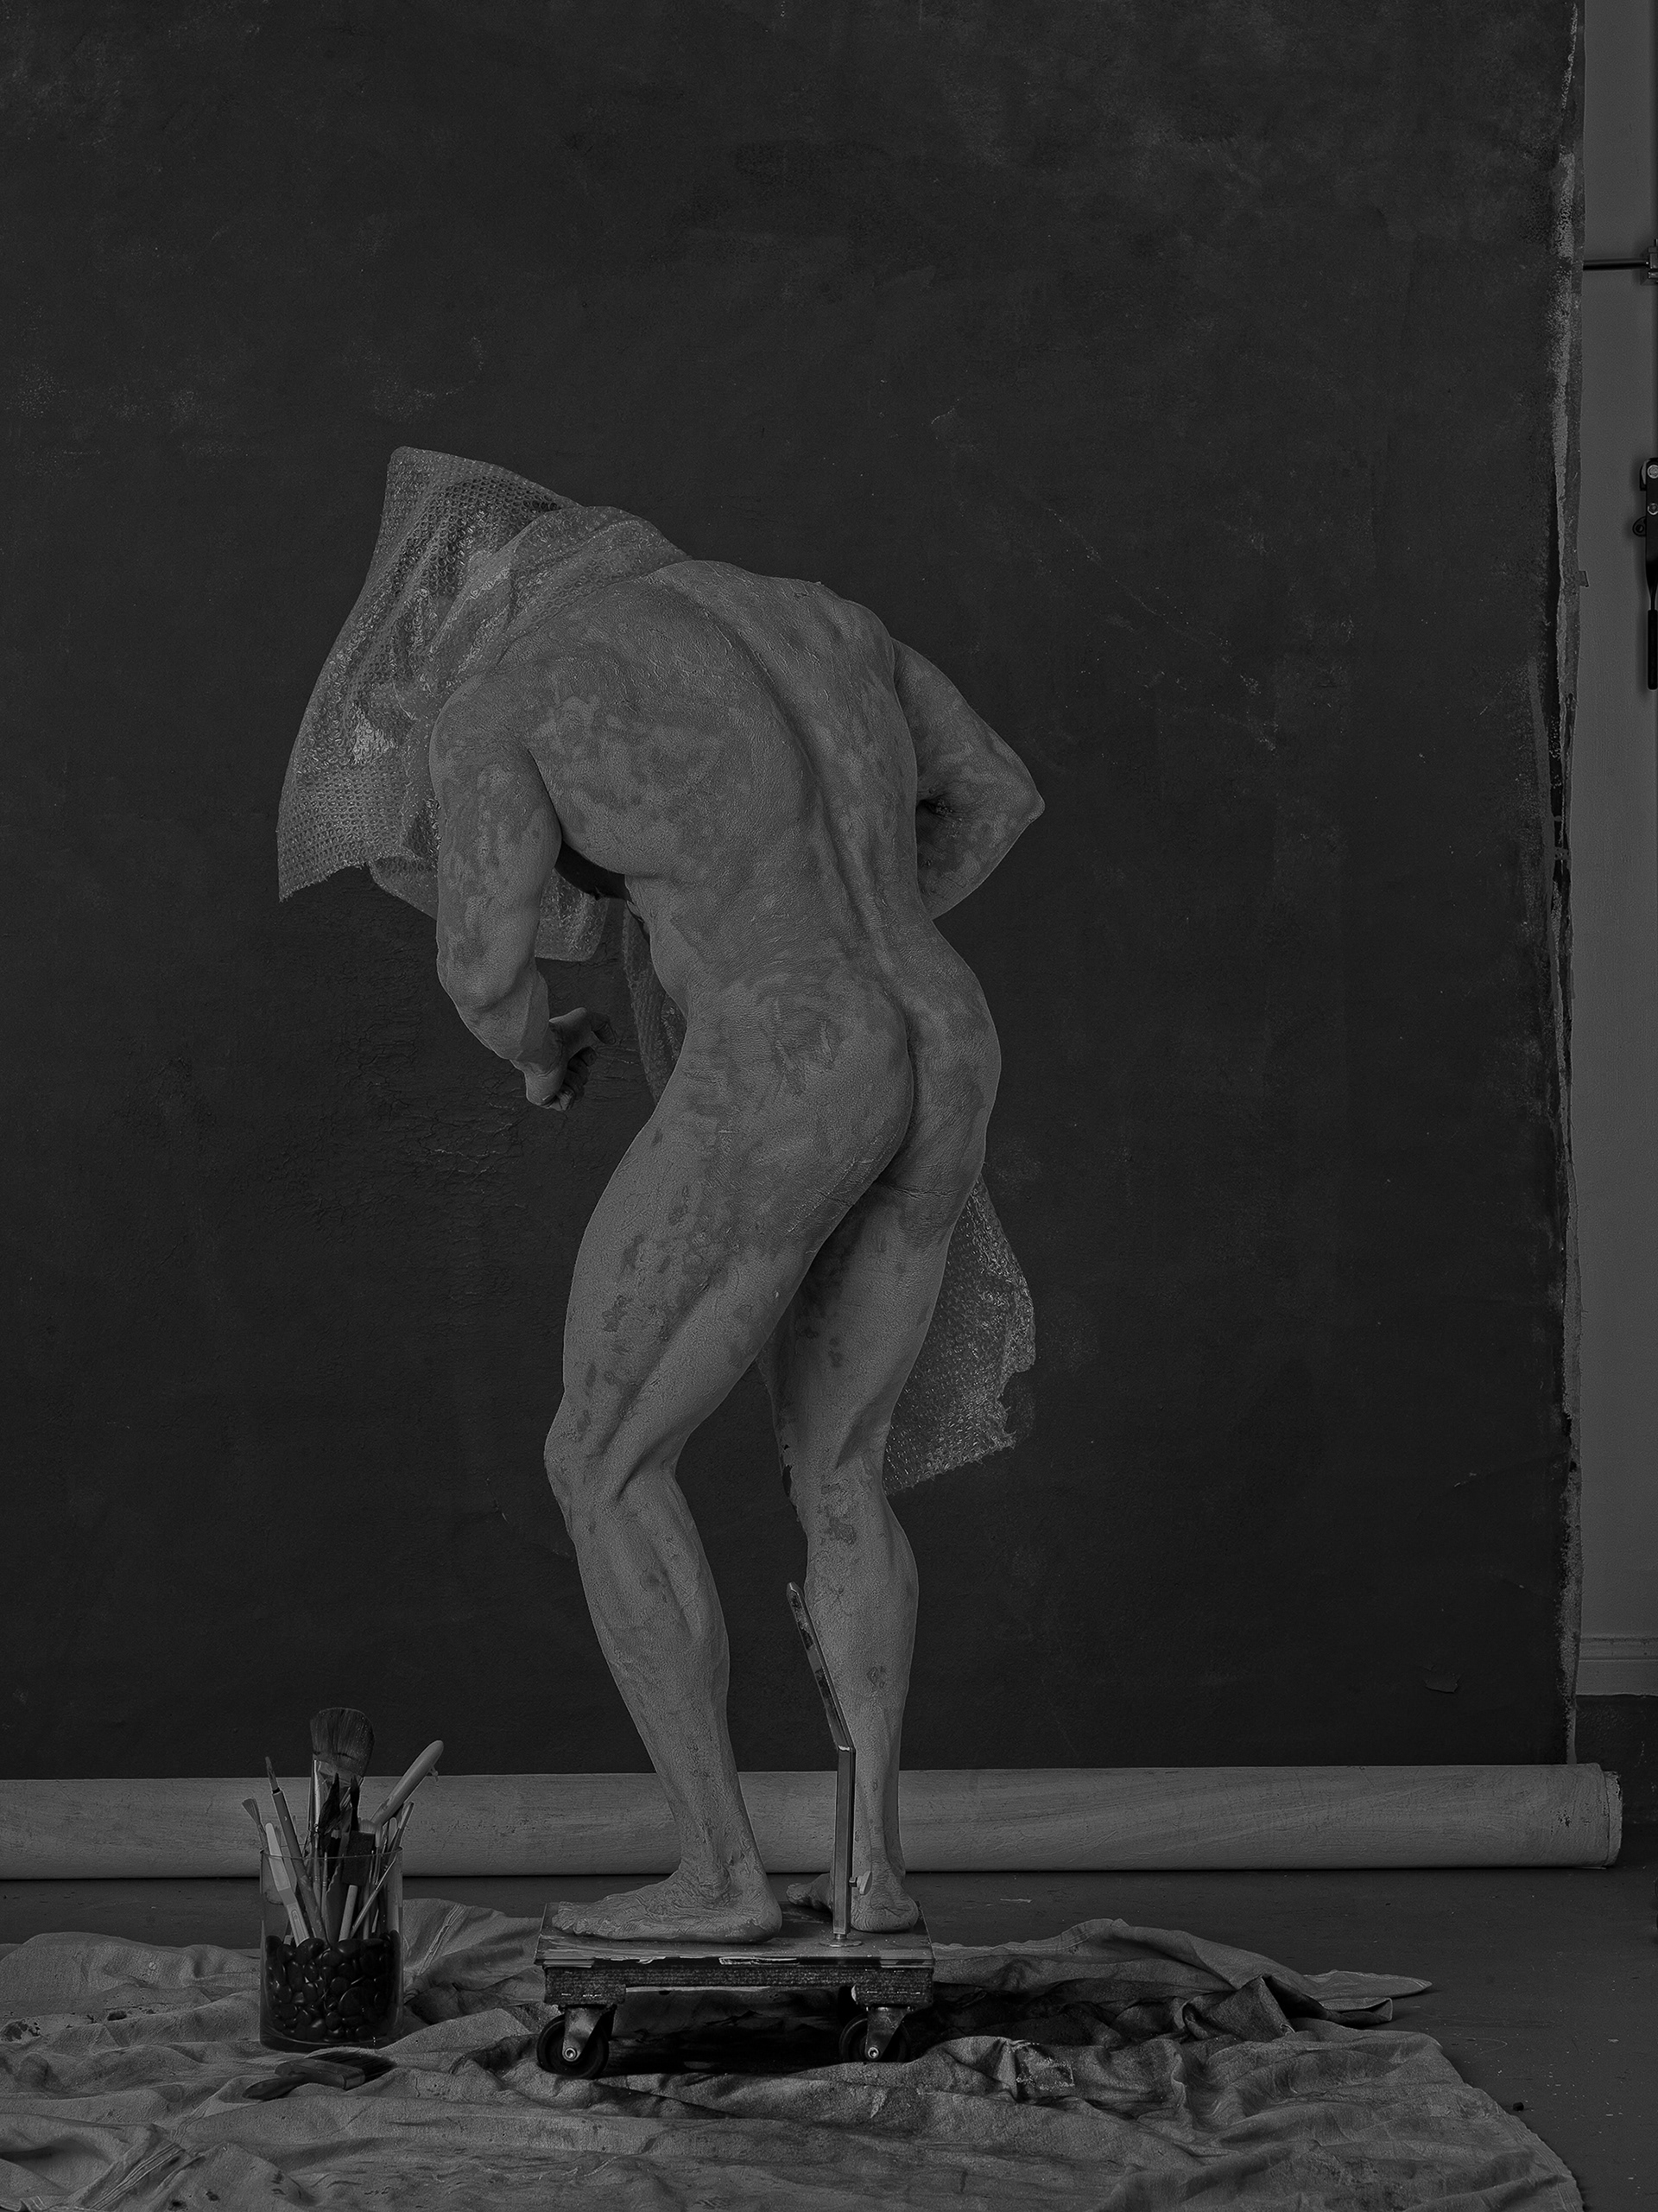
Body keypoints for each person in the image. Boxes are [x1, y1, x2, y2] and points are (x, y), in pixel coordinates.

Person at [282, 456, 1042, 1940]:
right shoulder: (823, 619)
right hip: (947, 1030)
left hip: (788, 1048)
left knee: (601, 1457)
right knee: (842, 1468)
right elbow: (996, 795)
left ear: (469, 595)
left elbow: (483, 965)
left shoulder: (510, 694)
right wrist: (856, 930)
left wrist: (543, 1050)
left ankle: (721, 1875)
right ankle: (872, 1875)